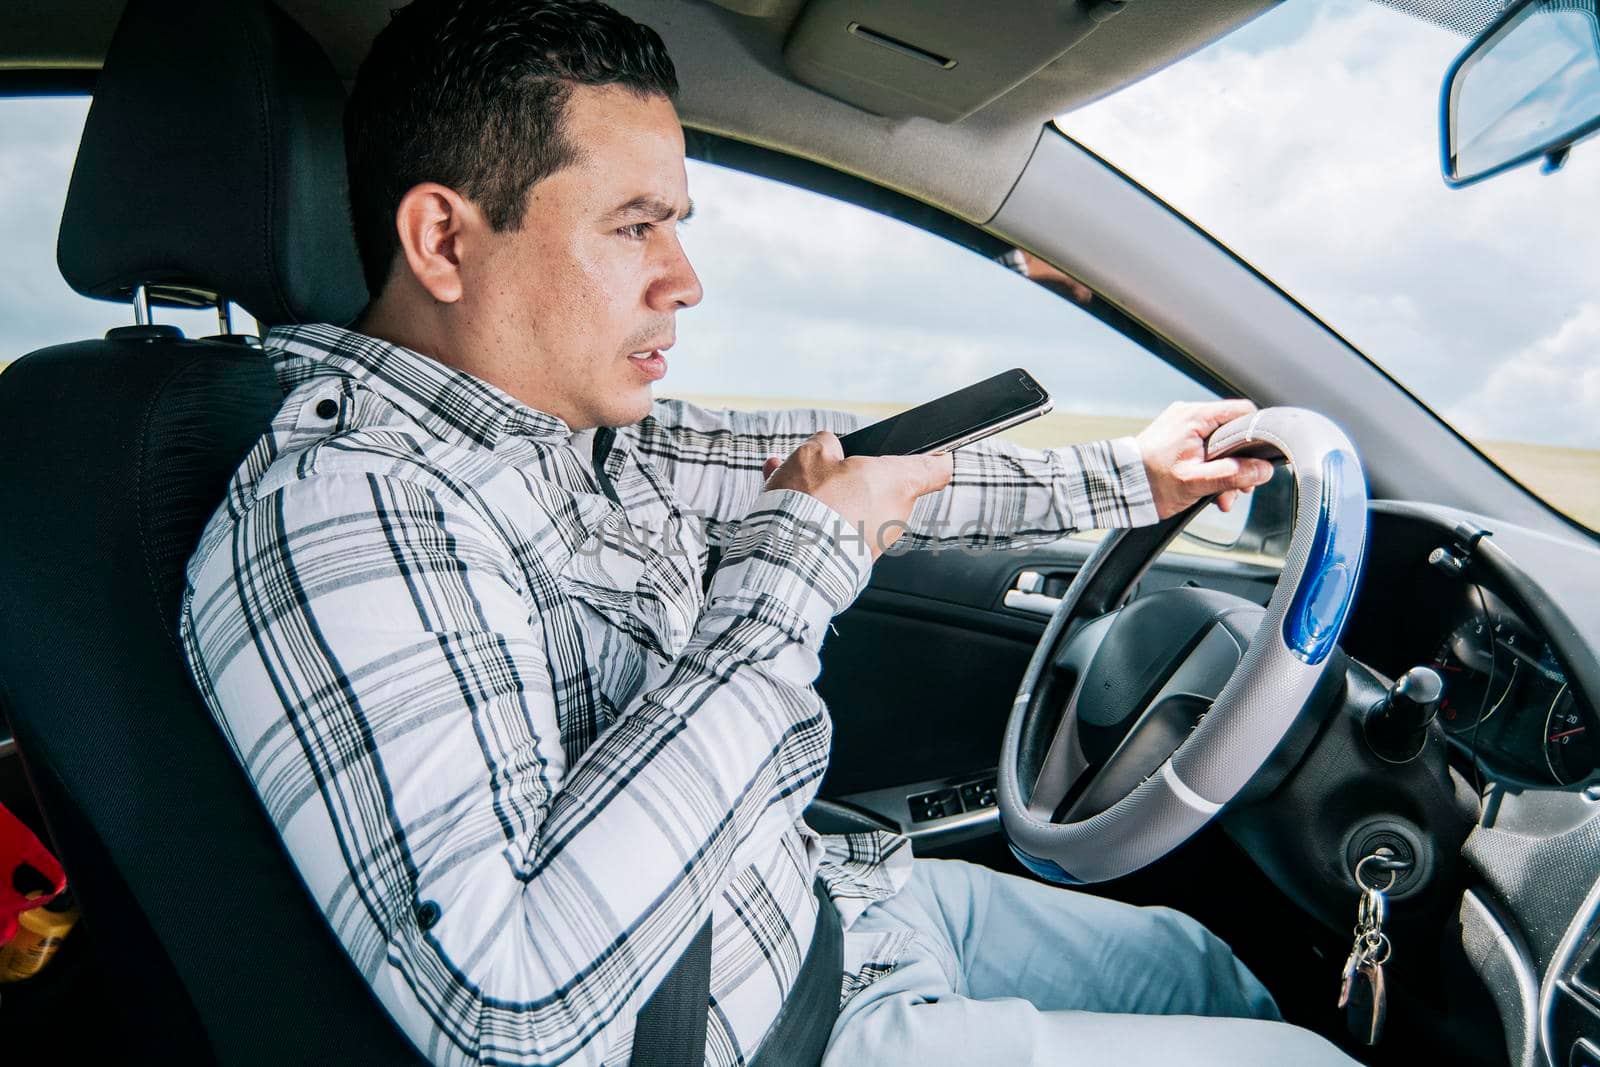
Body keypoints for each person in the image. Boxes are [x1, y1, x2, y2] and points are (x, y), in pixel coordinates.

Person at [179, 2, 1352, 1064]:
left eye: (676, 223)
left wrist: (1131, 478)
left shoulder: (562, 429)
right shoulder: (353, 509)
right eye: (634, 225)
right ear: (443, 240)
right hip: (781, 1034)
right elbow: (509, 1003)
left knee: (1209, 972)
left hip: (832, 904)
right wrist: (795, 569)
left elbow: (863, 469)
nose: (686, 279)